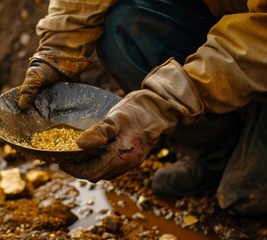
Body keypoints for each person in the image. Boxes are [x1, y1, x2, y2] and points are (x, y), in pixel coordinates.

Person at [18, 0, 267, 215]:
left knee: (243, 197)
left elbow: (259, 40)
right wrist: (58, 51)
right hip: (224, 20)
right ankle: (216, 152)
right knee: (125, 24)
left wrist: (159, 105)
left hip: (258, 42)